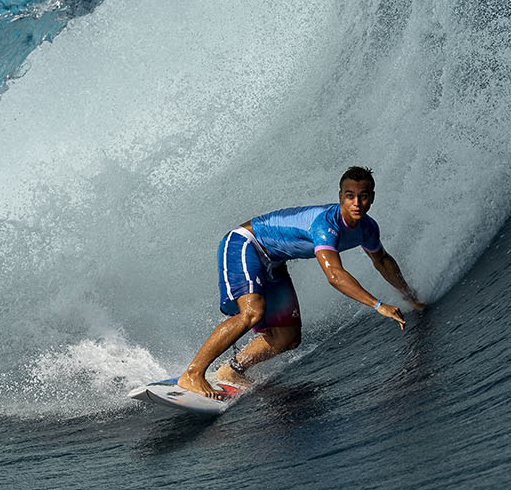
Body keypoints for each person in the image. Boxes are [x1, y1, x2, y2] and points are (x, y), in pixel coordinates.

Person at [176, 165, 426, 399]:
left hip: (274, 262)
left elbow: (382, 260)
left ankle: (232, 370)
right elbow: (335, 276)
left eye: (363, 196)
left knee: (288, 338)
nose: (356, 203)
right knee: (252, 312)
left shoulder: (368, 228)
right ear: (340, 196)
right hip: (247, 244)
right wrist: (378, 304)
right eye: (350, 195)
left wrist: (408, 295)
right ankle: (192, 374)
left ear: (372, 197)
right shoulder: (326, 225)